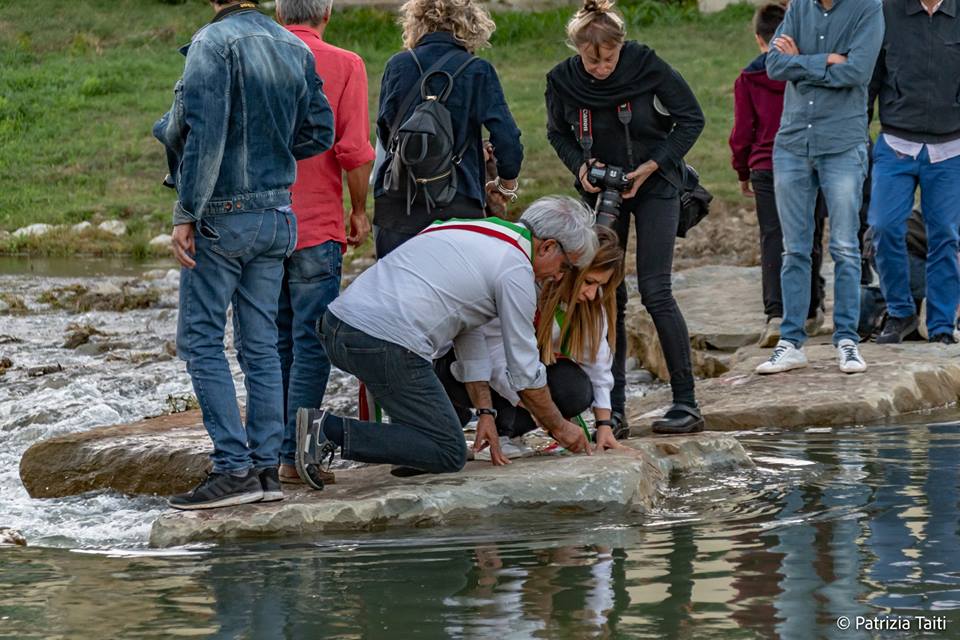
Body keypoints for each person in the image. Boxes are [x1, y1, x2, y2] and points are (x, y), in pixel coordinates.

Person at [153, 0, 333, 509]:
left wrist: (185, 211)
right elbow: (319, 129)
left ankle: (232, 469)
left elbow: (201, 136)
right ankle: (266, 471)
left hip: (225, 213)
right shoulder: (293, 45)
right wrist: (270, 151)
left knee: (200, 339)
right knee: (260, 346)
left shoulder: (212, 42)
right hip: (278, 215)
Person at [294, 197, 598, 485]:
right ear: (547, 247)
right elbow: (524, 371)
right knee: (449, 450)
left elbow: (468, 328)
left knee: (429, 435)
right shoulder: (516, 268)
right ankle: (327, 430)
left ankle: (384, 447)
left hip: (337, 327)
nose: (559, 277)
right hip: (383, 342)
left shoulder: (477, 229)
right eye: (565, 266)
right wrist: (558, 427)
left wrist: (486, 413)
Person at [545, 0, 705, 434]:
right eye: (591, 60)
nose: (600, 69)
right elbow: (556, 131)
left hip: (655, 186)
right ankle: (611, 410)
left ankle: (686, 404)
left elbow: (692, 119)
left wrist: (653, 165)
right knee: (607, 295)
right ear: (577, 49)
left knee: (656, 290)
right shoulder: (562, 79)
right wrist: (580, 166)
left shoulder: (647, 66)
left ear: (621, 47)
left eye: (609, 59)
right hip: (603, 193)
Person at [273, 0, 376, 485]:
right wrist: (358, 210)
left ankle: (267, 454)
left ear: (278, 14)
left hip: (261, 225)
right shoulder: (345, 64)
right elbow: (353, 151)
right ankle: (298, 457)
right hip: (316, 224)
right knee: (312, 343)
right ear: (327, 14)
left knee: (270, 341)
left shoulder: (255, 55)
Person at [755, 0, 883, 375]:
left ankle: (847, 340)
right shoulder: (797, 9)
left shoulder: (868, 9)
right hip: (793, 143)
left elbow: (858, 72)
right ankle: (791, 341)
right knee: (794, 249)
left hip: (842, 143)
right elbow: (774, 65)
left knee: (844, 247)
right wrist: (827, 58)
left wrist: (804, 61)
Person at [438, 226, 627, 459]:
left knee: (574, 390)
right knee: (514, 373)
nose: (592, 294)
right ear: (570, 269)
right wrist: (546, 415)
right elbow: (494, 356)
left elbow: (598, 363)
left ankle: (510, 430)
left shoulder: (590, 303)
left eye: (600, 286)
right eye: (589, 282)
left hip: (520, 377)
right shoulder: (519, 283)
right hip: (466, 368)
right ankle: (488, 426)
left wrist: (604, 425)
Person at [371, 0, 524, 258]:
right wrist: (506, 184)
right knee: (455, 295)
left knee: (399, 295)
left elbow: (387, 133)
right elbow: (508, 142)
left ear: (415, 24)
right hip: (458, 204)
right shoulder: (478, 70)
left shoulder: (397, 65)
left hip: (398, 205)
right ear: (471, 25)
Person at [729, 3, 828, 347]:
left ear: (759, 39)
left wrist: (742, 170)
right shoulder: (808, 69)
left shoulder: (748, 78)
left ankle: (776, 313)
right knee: (810, 233)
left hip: (766, 166)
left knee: (773, 237)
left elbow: (743, 131)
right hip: (809, 159)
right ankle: (812, 309)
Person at [866, 0, 960, 345]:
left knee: (946, 236)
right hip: (895, 143)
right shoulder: (886, 12)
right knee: (884, 226)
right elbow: (871, 79)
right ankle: (901, 313)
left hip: (951, 148)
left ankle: (940, 325)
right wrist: (861, 135)